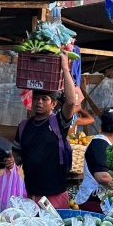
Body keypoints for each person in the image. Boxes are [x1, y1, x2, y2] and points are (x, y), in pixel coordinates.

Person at [16, 52, 77, 207]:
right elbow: (17, 158)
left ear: (54, 104)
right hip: (30, 196)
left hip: (54, 196)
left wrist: (64, 67)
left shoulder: (58, 123)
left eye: (45, 99)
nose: (39, 102)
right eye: (36, 98)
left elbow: (70, 102)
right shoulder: (23, 126)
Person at [75, 107, 113, 211]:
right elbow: (102, 177)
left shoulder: (106, 144)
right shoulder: (99, 145)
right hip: (93, 201)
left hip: (101, 200)